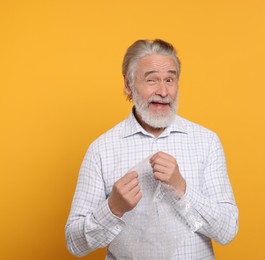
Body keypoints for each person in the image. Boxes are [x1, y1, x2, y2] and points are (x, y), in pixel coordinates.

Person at [65, 39, 238, 259]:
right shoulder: (101, 149)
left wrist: (181, 188)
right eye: (152, 80)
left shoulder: (207, 142)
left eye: (169, 79)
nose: (163, 91)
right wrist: (113, 209)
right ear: (128, 84)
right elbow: (74, 243)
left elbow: (227, 230)